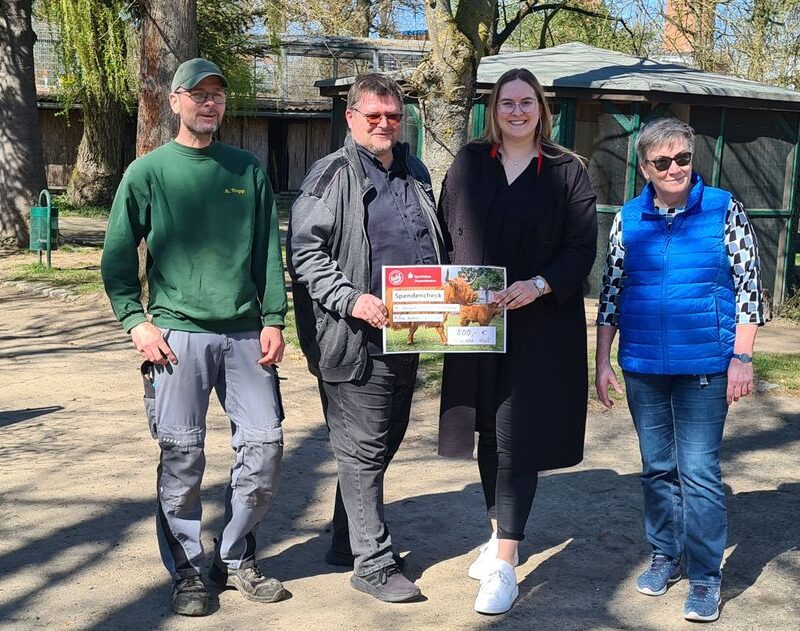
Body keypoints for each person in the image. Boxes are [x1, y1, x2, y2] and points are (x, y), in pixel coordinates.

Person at [101, 58, 288, 617]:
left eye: (218, 95)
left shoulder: (246, 170)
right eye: (198, 94)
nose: (210, 103)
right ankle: (187, 568)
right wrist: (136, 321)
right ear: (175, 101)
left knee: (265, 447)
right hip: (176, 336)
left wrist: (274, 318)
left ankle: (233, 557)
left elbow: (266, 256)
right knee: (181, 454)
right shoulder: (148, 172)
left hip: (244, 336)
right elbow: (115, 258)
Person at [437, 68, 598, 614]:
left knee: (516, 434)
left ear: (541, 108)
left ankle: (506, 562)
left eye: (526, 102)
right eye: (506, 102)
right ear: (492, 109)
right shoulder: (466, 164)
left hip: (538, 327)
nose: (516, 112)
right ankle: (495, 534)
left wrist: (539, 284)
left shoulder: (566, 170)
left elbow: (581, 248)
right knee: (488, 429)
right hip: (475, 320)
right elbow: (443, 233)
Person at [595, 117, 763, 623]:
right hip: (643, 364)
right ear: (645, 167)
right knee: (657, 468)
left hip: (705, 367)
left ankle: (707, 576)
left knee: (699, 471)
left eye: (682, 159)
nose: (674, 169)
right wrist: (602, 360)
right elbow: (611, 293)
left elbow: (750, 289)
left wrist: (742, 357)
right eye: (662, 162)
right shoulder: (629, 217)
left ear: (693, 159)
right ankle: (665, 554)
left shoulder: (723, 209)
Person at [287, 73, 447, 603]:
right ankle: (372, 563)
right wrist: (353, 298)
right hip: (352, 339)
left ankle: (344, 540)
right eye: (373, 116)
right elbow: (306, 255)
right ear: (351, 117)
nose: (384, 125)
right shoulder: (331, 174)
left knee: (383, 441)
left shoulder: (415, 170)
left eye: (393, 117)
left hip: (411, 332)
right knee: (362, 447)